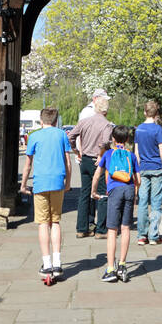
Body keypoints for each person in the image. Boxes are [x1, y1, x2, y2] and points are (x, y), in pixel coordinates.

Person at [20, 107, 73, 282]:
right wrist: (68, 183)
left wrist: (23, 184)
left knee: (43, 223)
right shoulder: (62, 135)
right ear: (56, 121)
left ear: (41, 120)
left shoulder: (34, 136)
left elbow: (28, 164)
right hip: (58, 181)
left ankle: (47, 263)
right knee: (55, 221)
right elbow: (68, 162)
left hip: (40, 183)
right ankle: (58, 263)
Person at [92, 125, 139, 282]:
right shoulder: (131, 155)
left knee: (112, 230)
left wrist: (93, 191)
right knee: (125, 228)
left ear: (112, 138)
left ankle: (111, 268)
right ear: (127, 139)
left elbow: (98, 174)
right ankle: (122, 265)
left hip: (115, 191)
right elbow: (137, 179)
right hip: (129, 190)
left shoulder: (108, 154)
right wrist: (135, 193)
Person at [68, 89, 114, 239]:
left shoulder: (84, 122)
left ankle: (82, 228)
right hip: (98, 161)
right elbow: (105, 142)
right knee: (101, 193)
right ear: (106, 111)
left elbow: (71, 136)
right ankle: (101, 229)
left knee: (84, 194)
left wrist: (76, 151)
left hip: (85, 159)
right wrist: (102, 154)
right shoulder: (107, 125)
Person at [133, 100, 162, 245]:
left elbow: (136, 152)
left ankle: (142, 235)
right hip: (157, 168)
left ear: (144, 112)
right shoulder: (158, 129)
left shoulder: (139, 129)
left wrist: (137, 170)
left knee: (142, 202)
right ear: (156, 113)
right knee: (156, 203)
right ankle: (154, 236)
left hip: (143, 168)